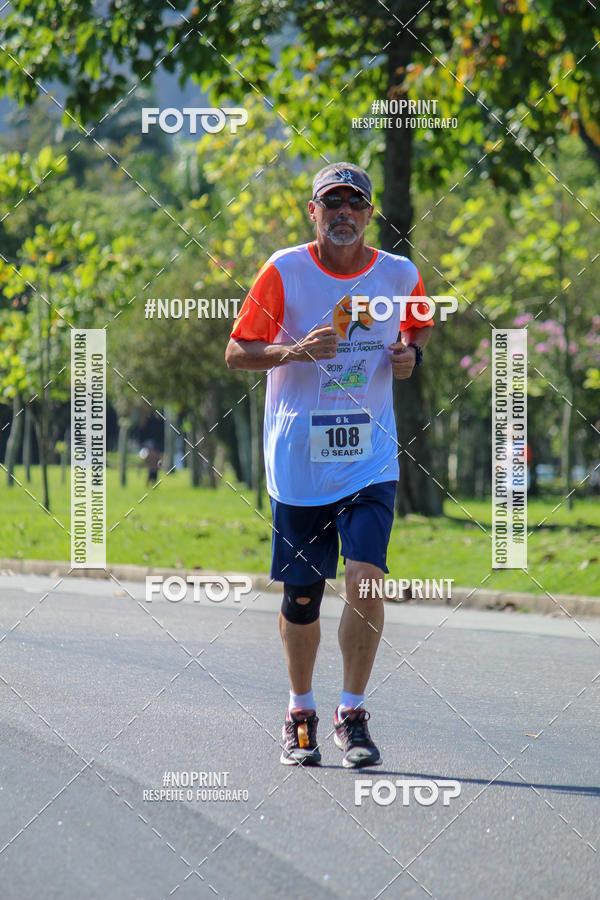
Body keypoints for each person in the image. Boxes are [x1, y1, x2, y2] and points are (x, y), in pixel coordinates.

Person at [225, 162, 433, 768]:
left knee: (367, 579)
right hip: (299, 462)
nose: (343, 212)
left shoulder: (399, 274)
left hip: (369, 457)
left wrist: (409, 358)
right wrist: (293, 349)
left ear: (369, 214)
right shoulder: (283, 270)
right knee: (304, 596)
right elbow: (237, 352)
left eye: (355, 203)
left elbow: (418, 329)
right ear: (312, 211)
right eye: (331, 202)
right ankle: (300, 711)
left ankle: (352, 712)